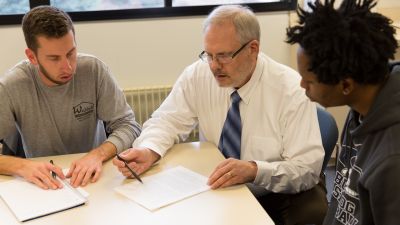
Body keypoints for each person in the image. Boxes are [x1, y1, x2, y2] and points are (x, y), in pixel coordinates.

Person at [113, 5, 326, 225]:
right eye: (209, 55)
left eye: (224, 56)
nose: (214, 66)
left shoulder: (290, 89)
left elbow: (305, 168)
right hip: (219, 187)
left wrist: (255, 170)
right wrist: (149, 149)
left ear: (253, 49)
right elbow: (167, 120)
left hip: (277, 192)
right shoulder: (199, 74)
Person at [0, 6, 141, 190]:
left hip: (96, 176)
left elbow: (129, 125)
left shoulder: (93, 70)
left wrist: (97, 155)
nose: (67, 67)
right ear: (32, 57)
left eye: (70, 53)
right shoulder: (11, 86)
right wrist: (22, 165)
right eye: (54, 58)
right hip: (46, 185)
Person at [286, 0, 400, 224]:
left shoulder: (392, 160)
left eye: (309, 81)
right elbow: (341, 198)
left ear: (345, 86)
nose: (301, 86)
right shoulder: (361, 110)